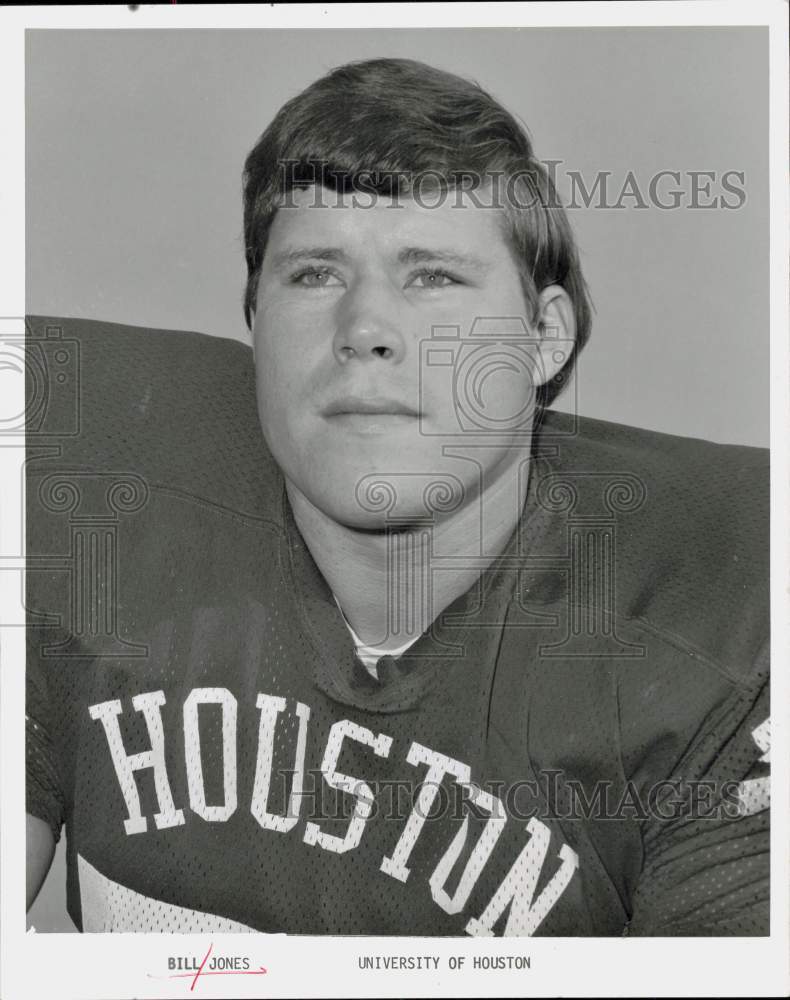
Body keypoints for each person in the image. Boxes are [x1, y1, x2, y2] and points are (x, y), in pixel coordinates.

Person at [25, 57, 769, 936]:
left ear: (544, 338)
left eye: (433, 276)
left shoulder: (726, 622)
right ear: (254, 323)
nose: (367, 329)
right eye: (314, 275)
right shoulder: (81, 489)